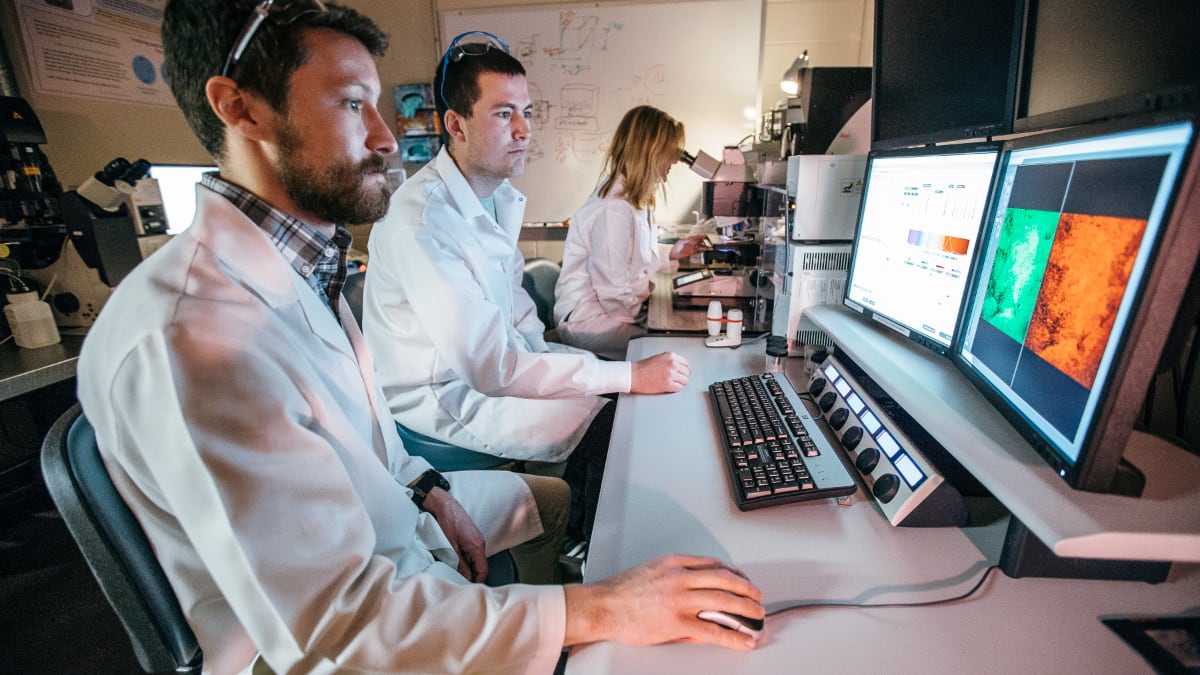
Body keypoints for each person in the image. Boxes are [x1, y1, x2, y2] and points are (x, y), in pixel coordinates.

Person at [73, 2, 764, 672]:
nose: (383, 136)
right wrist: (599, 609)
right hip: (325, 645)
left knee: (553, 505)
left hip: (396, 525)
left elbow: (366, 433)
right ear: (240, 107)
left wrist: (431, 489)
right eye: (351, 103)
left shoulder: (296, 265)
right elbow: (340, 629)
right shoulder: (193, 339)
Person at [362, 33, 693, 542]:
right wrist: (619, 377)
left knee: (611, 403)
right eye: (502, 114)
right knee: (609, 423)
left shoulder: (494, 199)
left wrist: (588, 376)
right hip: (443, 401)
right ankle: (587, 552)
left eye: (527, 112)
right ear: (456, 124)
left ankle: (586, 533)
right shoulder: (422, 222)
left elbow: (519, 321)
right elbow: (489, 366)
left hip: (487, 376)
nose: (523, 130)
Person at [555, 106, 713, 360]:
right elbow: (614, 291)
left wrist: (672, 252)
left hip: (610, 312)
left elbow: (633, 258)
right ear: (650, 151)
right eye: (671, 151)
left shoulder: (635, 199)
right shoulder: (614, 208)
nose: (675, 160)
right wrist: (649, 320)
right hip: (591, 321)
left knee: (676, 339)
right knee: (674, 351)